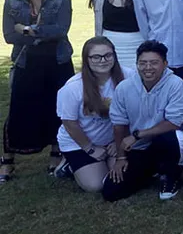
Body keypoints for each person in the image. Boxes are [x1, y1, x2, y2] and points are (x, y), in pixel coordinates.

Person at [2, 0, 75, 182]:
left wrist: (26, 29)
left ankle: (56, 154)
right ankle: (7, 160)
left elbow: (60, 30)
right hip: (26, 62)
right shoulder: (12, 1)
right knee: (18, 110)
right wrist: (39, 33)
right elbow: (9, 35)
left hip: (58, 61)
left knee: (58, 109)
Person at [102, 40, 183, 201]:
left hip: (167, 141)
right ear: (136, 64)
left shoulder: (176, 85)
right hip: (138, 147)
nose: (148, 67)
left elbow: (174, 123)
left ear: (165, 64)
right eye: (143, 63)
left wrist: (138, 134)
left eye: (154, 63)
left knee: (168, 137)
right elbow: (118, 124)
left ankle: (171, 175)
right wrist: (120, 158)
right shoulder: (124, 87)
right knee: (111, 192)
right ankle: (149, 172)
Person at [55, 36, 134, 192]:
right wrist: (90, 148)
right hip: (80, 143)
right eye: (96, 57)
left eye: (108, 55)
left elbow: (134, 112)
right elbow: (69, 123)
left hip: (113, 140)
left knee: (123, 176)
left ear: (114, 55)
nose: (103, 61)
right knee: (96, 185)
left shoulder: (129, 76)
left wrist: (118, 142)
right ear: (87, 59)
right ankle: (69, 165)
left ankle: (101, 162)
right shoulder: (73, 87)